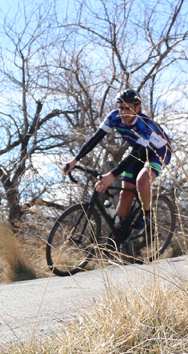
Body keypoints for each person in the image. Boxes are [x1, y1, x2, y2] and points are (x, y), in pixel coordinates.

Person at [62, 88, 173, 248]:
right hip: (139, 152)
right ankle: (117, 238)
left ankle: (147, 216)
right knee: (125, 194)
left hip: (158, 152)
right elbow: (95, 139)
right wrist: (75, 159)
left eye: (128, 108)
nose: (123, 111)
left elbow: (135, 154)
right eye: (121, 107)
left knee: (142, 181)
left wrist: (111, 175)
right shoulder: (114, 117)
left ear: (137, 109)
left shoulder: (145, 125)